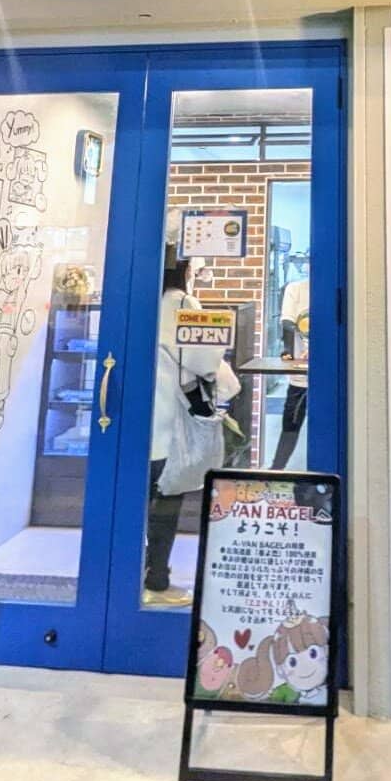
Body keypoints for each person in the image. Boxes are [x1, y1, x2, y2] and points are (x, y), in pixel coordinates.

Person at [144, 251, 238, 605]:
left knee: (139, 502)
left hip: (137, 421)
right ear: (183, 268)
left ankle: (133, 576)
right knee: (167, 502)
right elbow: (204, 362)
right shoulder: (182, 302)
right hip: (171, 424)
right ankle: (156, 580)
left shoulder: (140, 300)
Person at [271, 267, 309, 471]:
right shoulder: (296, 289)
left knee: (329, 425)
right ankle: (277, 471)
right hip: (301, 374)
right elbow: (287, 322)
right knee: (291, 425)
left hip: (328, 374)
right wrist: (288, 350)